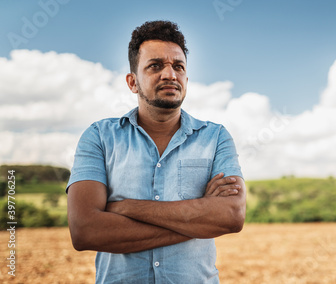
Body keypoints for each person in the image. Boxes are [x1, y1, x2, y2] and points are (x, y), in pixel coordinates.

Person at [66, 20, 246, 284]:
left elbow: (231, 216)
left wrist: (125, 208)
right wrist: (198, 222)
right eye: (155, 66)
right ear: (133, 82)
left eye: (178, 66)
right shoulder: (99, 137)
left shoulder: (215, 137)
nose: (170, 74)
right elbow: (85, 231)